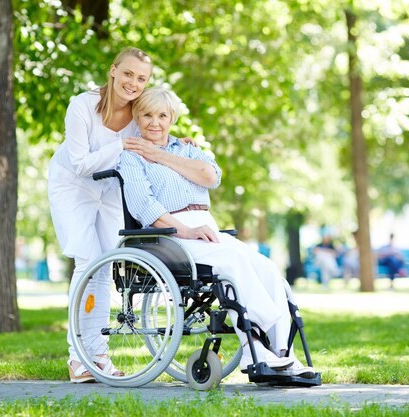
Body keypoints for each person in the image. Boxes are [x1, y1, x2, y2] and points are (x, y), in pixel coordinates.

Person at [118, 87, 315, 378]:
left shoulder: (188, 148)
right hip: (170, 234)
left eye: (162, 115)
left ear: (172, 118)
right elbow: (142, 205)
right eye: (147, 114)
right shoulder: (131, 156)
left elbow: (210, 177)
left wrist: (159, 155)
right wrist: (185, 230)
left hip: (206, 228)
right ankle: (255, 348)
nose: (154, 122)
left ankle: (283, 352)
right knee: (232, 264)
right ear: (137, 115)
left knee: (267, 267)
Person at [48, 48, 201, 383]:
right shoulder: (83, 106)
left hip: (110, 189)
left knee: (107, 265)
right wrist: (119, 146)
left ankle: (96, 355)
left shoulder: (138, 112)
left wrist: (177, 143)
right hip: (73, 187)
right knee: (87, 261)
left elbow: (154, 131)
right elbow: (80, 164)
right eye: (128, 74)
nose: (134, 83)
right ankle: (78, 359)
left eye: (142, 78)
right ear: (113, 70)